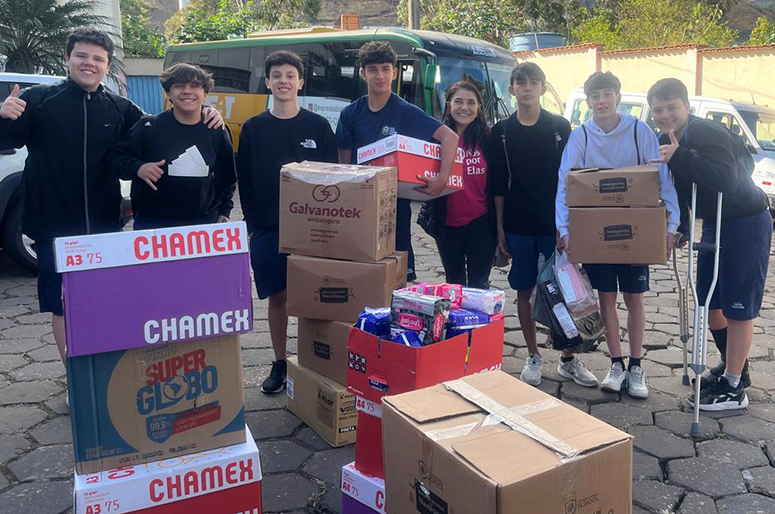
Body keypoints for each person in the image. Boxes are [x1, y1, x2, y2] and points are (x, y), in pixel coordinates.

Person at [0, 29, 222, 366]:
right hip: (52, 226)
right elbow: (6, 141)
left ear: (107, 66)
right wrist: (3, 116)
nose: (89, 63)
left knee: (103, 300)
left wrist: (206, 114)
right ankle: (74, 376)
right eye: (81, 56)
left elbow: (162, 129)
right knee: (61, 303)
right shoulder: (38, 100)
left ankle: (104, 371)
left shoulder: (120, 108)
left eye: (98, 59)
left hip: (104, 225)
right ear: (67, 59)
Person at [648, 78, 772, 411]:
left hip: (746, 221)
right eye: (658, 110)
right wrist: (683, 227)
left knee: (737, 307)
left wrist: (680, 156)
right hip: (715, 225)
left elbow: (727, 180)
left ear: (686, 107)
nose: (665, 115)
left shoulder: (706, 133)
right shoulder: (664, 140)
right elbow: (679, 187)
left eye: (671, 107)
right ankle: (736, 368)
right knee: (709, 302)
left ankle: (733, 388)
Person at [556, 71, 680, 398]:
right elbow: (565, 184)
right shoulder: (581, 136)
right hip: (596, 228)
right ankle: (616, 364)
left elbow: (662, 178)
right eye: (595, 96)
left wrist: (672, 226)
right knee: (606, 297)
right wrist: (565, 230)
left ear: (618, 97)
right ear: (589, 101)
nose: (602, 101)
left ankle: (636, 366)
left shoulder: (638, 131)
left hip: (634, 227)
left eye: (607, 94)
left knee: (634, 298)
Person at [237, 51, 337, 394]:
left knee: (316, 297)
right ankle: (280, 362)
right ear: (268, 82)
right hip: (268, 229)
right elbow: (245, 182)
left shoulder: (317, 127)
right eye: (277, 75)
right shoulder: (253, 128)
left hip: (314, 230)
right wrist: (252, 225)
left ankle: (316, 360)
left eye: (290, 75)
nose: (283, 81)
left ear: (300, 82)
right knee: (277, 297)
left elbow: (333, 178)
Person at [336, 41, 459, 282]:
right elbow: (343, 165)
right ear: (363, 74)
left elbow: (450, 137)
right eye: (373, 69)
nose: (379, 76)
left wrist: (442, 178)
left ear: (394, 73)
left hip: (395, 207)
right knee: (360, 275)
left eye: (385, 69)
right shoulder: (350, 114)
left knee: (397, 276)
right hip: (359, 206)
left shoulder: (405, 110)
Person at [490, 63, 571, 387]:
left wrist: (567, 225)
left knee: (562, 291)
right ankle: (533, 355)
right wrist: (499, 229)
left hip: (554, 225)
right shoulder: (502, 132)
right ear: (511, 89)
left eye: (533, 82)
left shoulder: (559, 127)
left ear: (542, 88)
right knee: (524, 291)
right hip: (517, 224)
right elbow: (497, 184)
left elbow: (571, 179)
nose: (527, 88)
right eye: (520, 82)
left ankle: (568, 357)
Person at [111, 63, 236, 229]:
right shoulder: (149, 127)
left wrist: (225, 211)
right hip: (153, 224)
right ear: (168, 93)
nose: (187, 91)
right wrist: (138, 168)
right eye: (179, 86)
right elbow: (115, 158)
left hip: (204, 225)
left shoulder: (216, 130)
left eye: (195, 86)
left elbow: (227, 177)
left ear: (205, 94)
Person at [419, 81, 496, 289]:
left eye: (471, 103)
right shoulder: (436, 138)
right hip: (447, 223)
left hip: (481, 223)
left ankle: (479, 313)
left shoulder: (488, 139)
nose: (465, 108)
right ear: (449, 105)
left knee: (479, 286)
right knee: (454, 284)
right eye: (458, 101)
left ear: (478, 107)